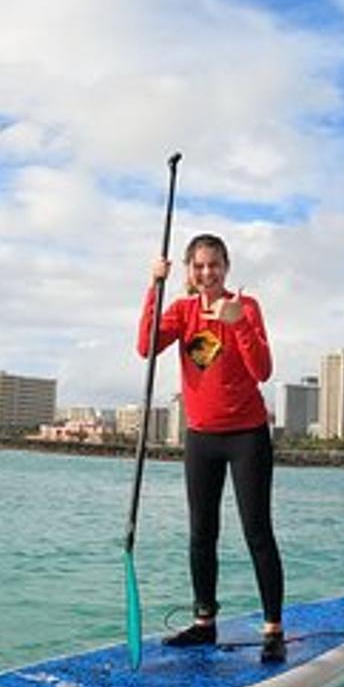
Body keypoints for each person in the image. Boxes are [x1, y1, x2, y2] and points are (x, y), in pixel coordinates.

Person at [136, 233, 287, 663]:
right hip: (201, 437)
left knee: (257, 532)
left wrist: (237, 323)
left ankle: (273, 629)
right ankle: (204, 622)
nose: (207, 273)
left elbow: (262, 370)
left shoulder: (246, 306)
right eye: (199, 266)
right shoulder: (182, 311)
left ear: (226, 267)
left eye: (214, 265)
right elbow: (146, 347)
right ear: (189, 270)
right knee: (201, 534)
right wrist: (154, 286)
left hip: (247, 436)